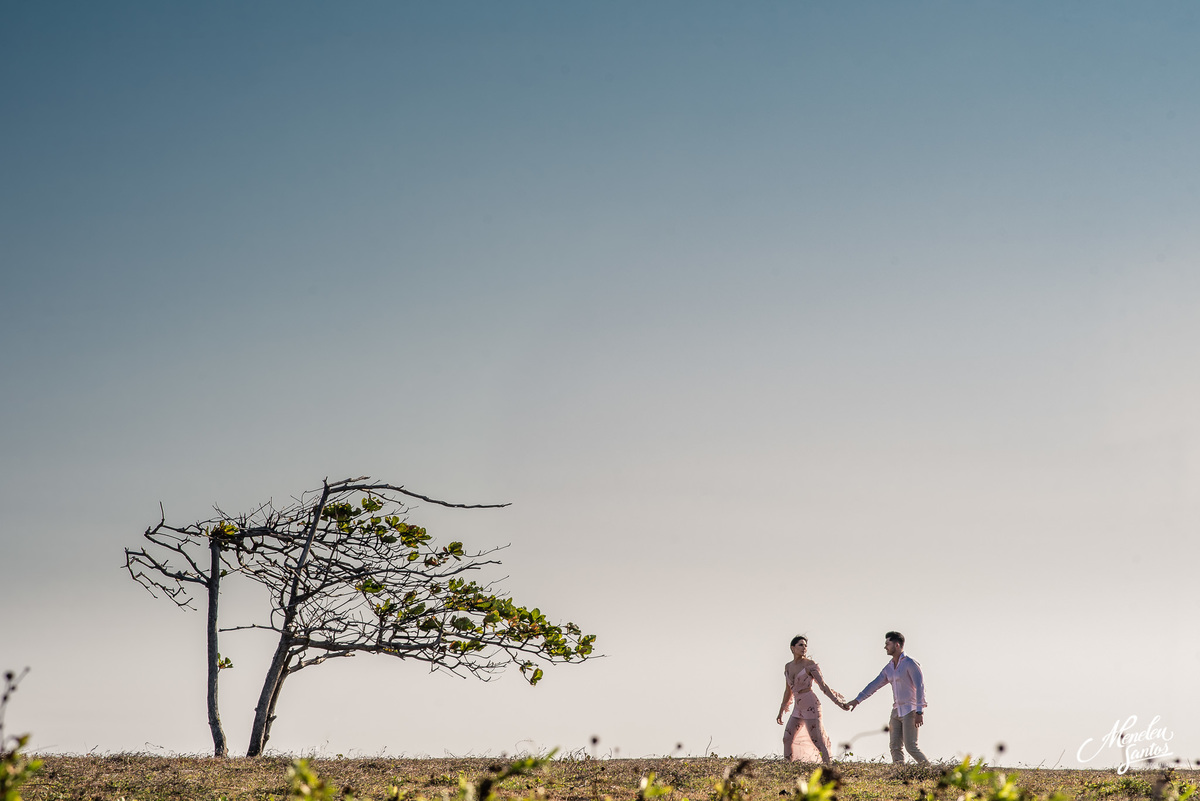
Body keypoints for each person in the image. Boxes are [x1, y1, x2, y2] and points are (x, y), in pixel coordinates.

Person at [846, 631, 929, 764]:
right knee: (894, 746)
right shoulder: (889, 667)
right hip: (896, 711)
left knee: (911, 746)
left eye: (887, 644)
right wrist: (857, 700)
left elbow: (920, 687)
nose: (885, 647)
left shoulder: (910, 663)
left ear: (897, 645)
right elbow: (875, 684)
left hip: (911, 710)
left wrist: (919, 711)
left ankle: (930, 770)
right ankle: (900, 773)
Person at [776, 635, 849, 763]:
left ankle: (828, 766)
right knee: (787, 738)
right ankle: (788, 767)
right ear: (792, 648)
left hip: (811, 706)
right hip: (797, 708)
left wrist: (838, 702)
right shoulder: (788, 666)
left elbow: (823, 686)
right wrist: (781, 710)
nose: (804, 648)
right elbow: (788, 690)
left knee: (818, 741)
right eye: (801, 645)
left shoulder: (810, 665)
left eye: (805, 646)